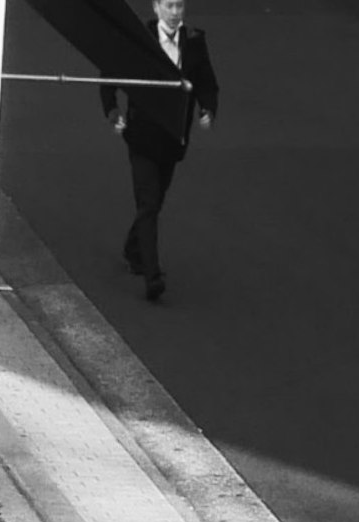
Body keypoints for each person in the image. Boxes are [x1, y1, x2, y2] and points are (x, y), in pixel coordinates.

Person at [100, 1, 218, 303]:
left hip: (172, 139)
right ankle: (152, 276)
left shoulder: (194, 41)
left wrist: (208, 108)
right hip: (141, 137)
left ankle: (132, 247)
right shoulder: (141, 38)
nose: (175, 12)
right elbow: (110, 73)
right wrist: (113, 111)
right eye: (169, 5)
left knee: (154, 202)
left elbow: (207, 81)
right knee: (149, 202)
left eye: (179, 5)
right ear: (156, 8)